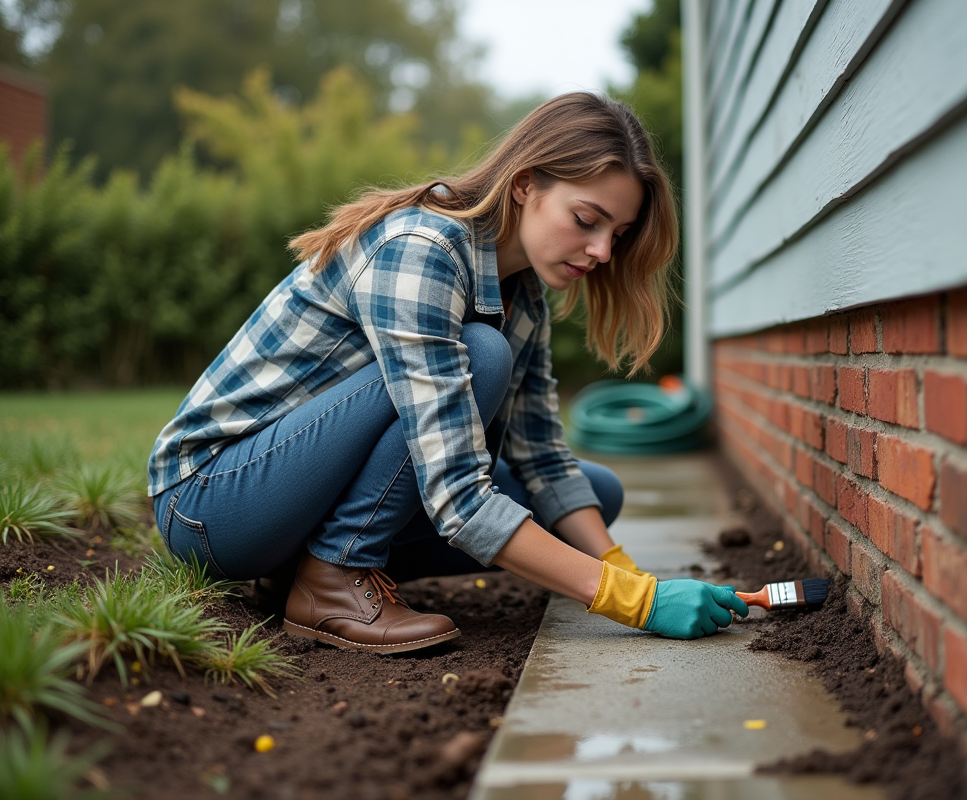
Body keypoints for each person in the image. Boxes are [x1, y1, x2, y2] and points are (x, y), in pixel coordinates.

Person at [146, 92, 748, 654]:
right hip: (212, 504)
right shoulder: (423, 249)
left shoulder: (524, 295)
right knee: (481, 355)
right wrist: (636, 604)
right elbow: (458, 496)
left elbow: (541, 456)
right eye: (587, 219)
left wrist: (624, 568)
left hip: (295, 502)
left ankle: (303, 570)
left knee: (598, 493)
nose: (602, 253)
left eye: (616, 234)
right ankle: (333, 575)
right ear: (523, 185)